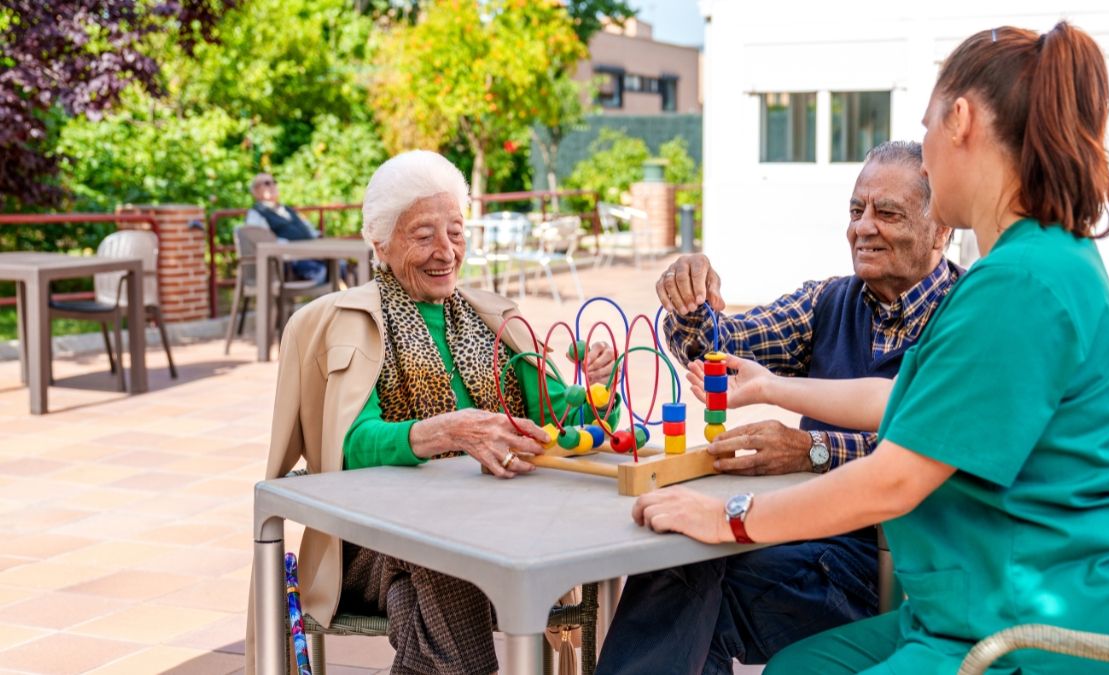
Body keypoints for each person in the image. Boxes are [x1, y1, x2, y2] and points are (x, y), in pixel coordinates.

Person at [631, 22, 1109, 675]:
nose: (924, 151)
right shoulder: (1032, 265)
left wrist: (732, 518)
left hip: (1033, 634)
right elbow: (905, 399)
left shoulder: (1018, 286)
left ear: (962, 121)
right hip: (972, 608)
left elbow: (893, 477)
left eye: (925, 130)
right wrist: (772, 385)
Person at [244, 150, 618, 675]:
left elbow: (565, 422)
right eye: (423, 235)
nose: (446, 252)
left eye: (457, 233)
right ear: (380, 244)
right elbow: (352, 443)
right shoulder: (356, 323)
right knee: (442, 555)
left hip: (497, 538)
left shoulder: (493, 321)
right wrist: (446, 431)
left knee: (421, 602)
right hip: (372, 544)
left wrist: (599, 389)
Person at [596, 141, 961, 675]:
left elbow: (928, 451)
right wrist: (693, 303)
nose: (863, 227)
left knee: (688, 589)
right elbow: (720, 347)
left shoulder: (965, 318)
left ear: (941, 228)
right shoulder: (830, 300)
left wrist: (811, 450)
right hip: (805, 538)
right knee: (678, 565)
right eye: (856, 211)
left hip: (902, 571)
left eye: (887, 213)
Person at [246, 172, 329, 283]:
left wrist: (318, 238)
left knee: (341, 265)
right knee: (322, 272)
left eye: (274, 182)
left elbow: (309, 229)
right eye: (267, 183)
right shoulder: (257, 213)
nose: (272, 186)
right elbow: (263, 242)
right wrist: (294, 249)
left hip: (313, 253)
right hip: (289, 262)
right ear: (256, 191)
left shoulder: (286, 209)